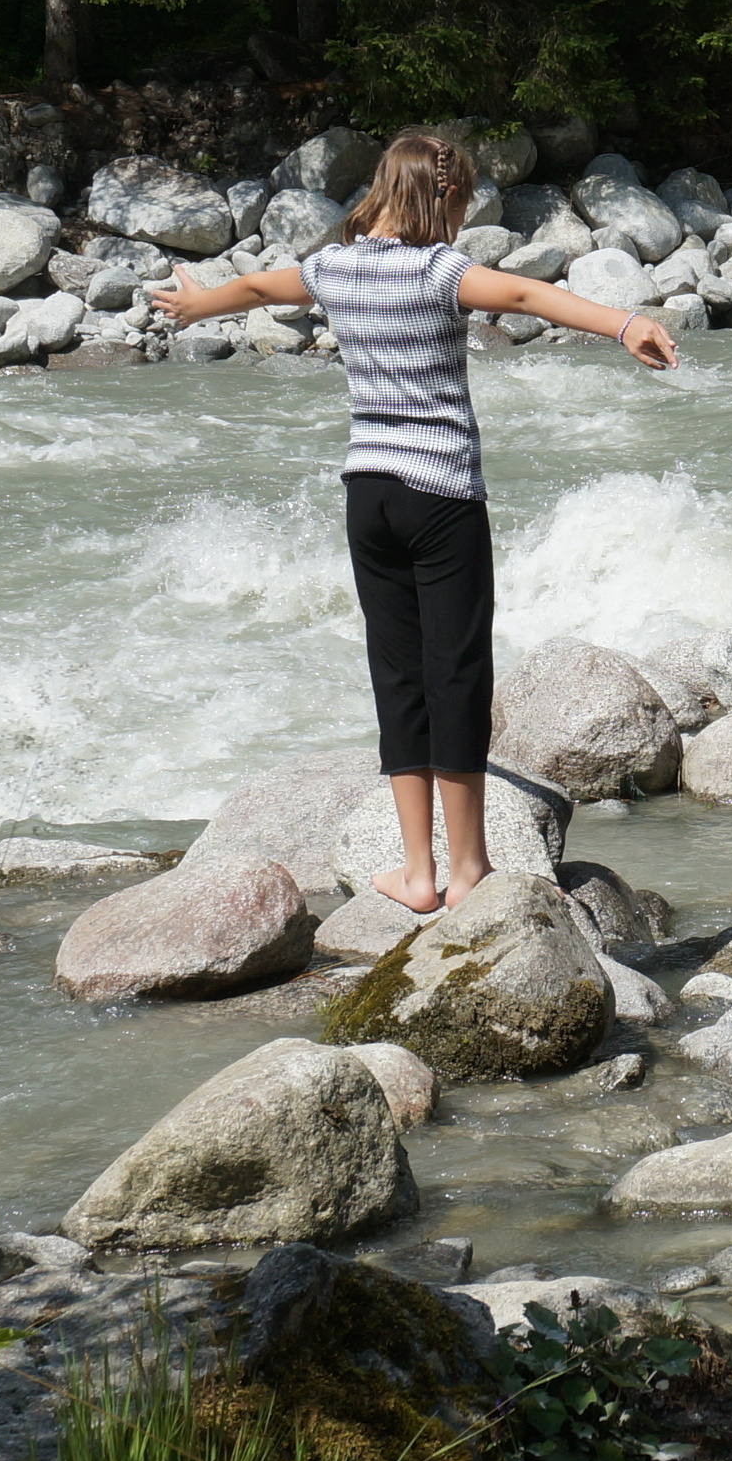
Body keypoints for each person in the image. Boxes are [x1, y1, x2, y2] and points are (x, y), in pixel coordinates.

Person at [153, 129, 677, 913]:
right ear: (447, 197)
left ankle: (417, 873)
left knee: (397, 675)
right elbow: (527, 297)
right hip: (441, 495)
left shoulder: (333, 267)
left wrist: (198, 303)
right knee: (456, 673)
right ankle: (467, 868)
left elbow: (259, 288)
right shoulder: (439, 271)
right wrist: (624, 324)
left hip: (369, 494)